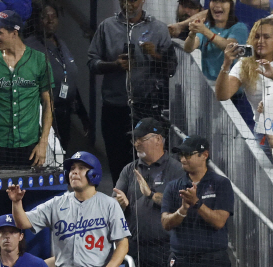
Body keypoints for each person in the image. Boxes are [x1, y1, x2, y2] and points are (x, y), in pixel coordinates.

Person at [88, 0, 177, 185]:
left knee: (149, 164)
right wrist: (114, 65)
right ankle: (121, 206)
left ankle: (147, 204)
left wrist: (155, 55)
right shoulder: (107, 27)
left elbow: (171, 68)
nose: (128, 3)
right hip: (114, 108)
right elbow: (91, 63)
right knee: (117, 163)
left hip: (147, 109)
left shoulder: (158, 28)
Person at [113, 118, 186, 267]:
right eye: (134, 139)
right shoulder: (129, 170)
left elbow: (180, 204)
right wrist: (118, 204)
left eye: (141, 139)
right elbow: (113, 201)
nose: (136, 143)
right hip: (136, 250)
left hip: (165, 250)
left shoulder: (175, 169)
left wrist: (151, 194)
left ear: (158, 139)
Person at [0, 10, 53, 168]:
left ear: (14, 33)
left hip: (29, 145)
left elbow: (48, 103)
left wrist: (43, 143)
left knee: (25, 192)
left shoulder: (40, 60)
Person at [161, 135, 234, 267]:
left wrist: (197, 203)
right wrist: (182, 210)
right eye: (181, 155)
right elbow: (166, 223)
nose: (183, 159)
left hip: (213, 264)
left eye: (188, 154)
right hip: (181, 262)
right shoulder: (174, 187)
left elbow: (220, 221)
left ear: (204, 155)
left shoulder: (221, 184)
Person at [215, 18, 273, 165]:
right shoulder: (245, 65)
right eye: (257, 36)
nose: (260, 41)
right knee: (268, 184)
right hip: (264, 135)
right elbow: (222, 95)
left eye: (266, 37)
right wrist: (226, 63)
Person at [25, 2, 90, 149]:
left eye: (53, 16)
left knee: (61, 156)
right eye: (45, 17)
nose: (50, 20)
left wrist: (82, 114)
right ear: (37, 20)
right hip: (41, 115)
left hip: (64, 114)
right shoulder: (29, 47)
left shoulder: (61, 43)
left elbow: (69, 79)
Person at [185, 0, 251, 125]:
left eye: (223, 1)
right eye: (214, 1)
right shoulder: (207, 26)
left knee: (227, 134)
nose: (217, 5)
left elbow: (229, 47)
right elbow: (189, 48)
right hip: (209, 90)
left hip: (231, 93)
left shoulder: (239, 27)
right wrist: (192, 33)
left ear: (231, 6)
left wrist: (205, 32)